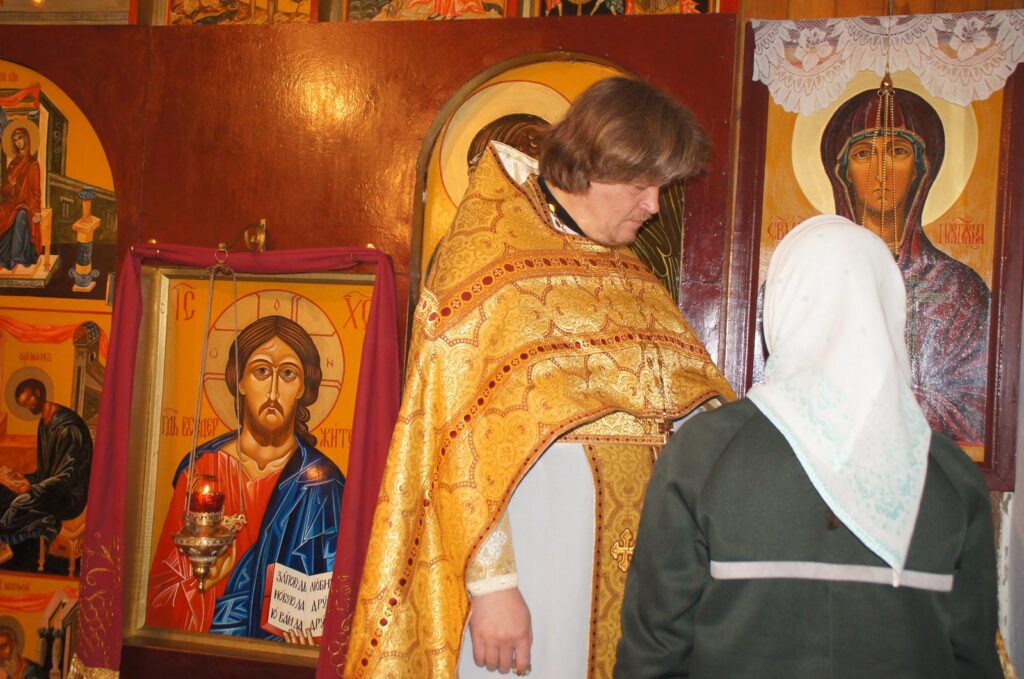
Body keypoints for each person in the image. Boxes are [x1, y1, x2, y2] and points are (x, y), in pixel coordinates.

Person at [345, 76, 733, 678]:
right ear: (592, 164)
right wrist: (492, 587)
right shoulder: (490, 260)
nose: (655, 206)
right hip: (539, 564)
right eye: (641, 185)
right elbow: (455, 435)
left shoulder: (628, 273)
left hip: (632, 575)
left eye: (662, 187)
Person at [616, 214, 1002, 678]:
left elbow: (654, 653)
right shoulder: (951, 475)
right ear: (890, 307)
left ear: (782, 304)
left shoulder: (704, 453)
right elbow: (974, 660)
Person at [146, 314, 346, 639]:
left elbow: (341, 590)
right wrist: (204, 581)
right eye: (261, 371)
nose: (273, 390)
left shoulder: (323, 483)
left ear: (303, 387)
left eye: (288, 374)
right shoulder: (201, 469)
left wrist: (315, 640)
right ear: (239, 381)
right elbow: (159, 597)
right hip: (206, 655)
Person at [820, 88, 990, 446]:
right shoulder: (811, 281)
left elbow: (975, 410)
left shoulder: (959, 289)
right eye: (863, 153)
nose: (881, 171)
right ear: (842, 170)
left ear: (921, 168)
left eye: (897, 152)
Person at [0, 379, 92, 567]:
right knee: (4, 492)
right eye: (24, 405)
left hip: (68, 496)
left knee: (19, 503)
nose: (28, 408)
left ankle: (47, 525)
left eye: (28, 402)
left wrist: (32, 488)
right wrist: (21, 479)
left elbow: (66, 478)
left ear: (39, 394)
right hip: (51, 487)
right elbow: (45, 472)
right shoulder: (44, 422)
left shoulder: (68, 428)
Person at [0, 124, 42, 271]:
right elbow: (4, 190)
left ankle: (17, 257)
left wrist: (36, 211)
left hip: (25, 204)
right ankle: (3, 256)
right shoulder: (13, 164)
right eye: (15, 140)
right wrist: (11, 187)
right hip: (11, 203)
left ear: (26, 139)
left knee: (21, 214)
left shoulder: (33, 165)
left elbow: (36, 192)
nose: (18, 142)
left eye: (20, 138)